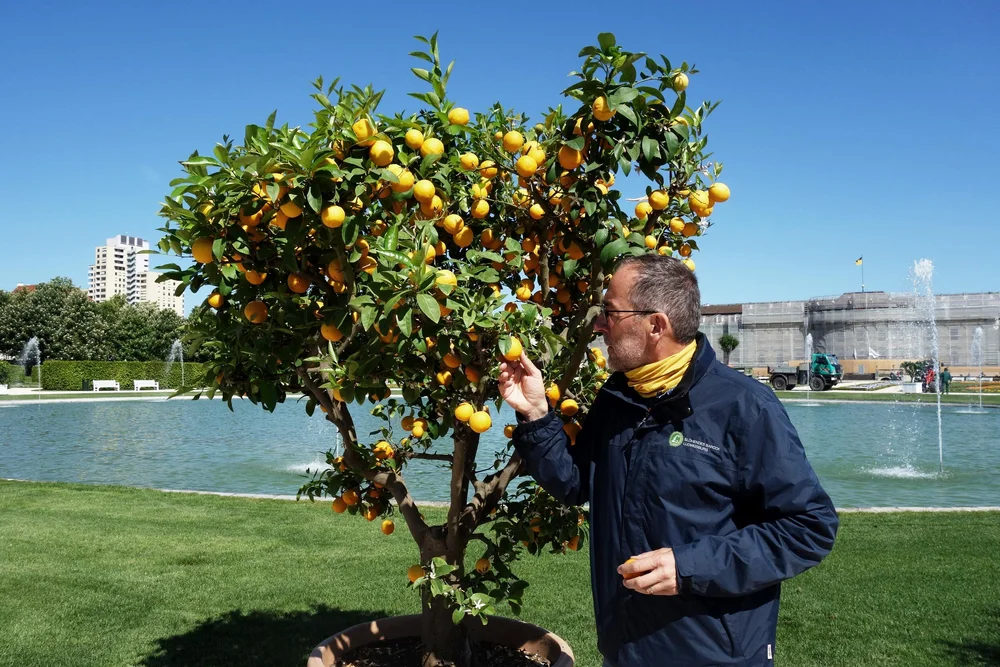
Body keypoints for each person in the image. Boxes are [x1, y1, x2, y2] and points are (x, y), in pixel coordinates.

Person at [500, 255, 838, 667]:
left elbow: (809, 528)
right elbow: (575, 483)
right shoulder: (618, 398)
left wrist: (689, 566)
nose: (599, 325)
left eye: (610, 312)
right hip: (625, 647)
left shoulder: (744, 407)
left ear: (655, 325)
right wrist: (536, 414)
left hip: (713, 655)